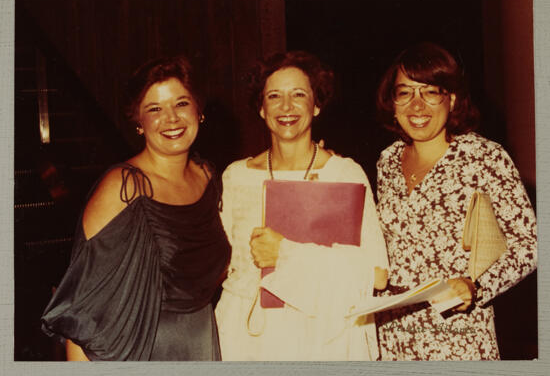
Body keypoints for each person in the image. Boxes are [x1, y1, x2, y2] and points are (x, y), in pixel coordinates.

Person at [41, 56, 231, 361]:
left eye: (181, 103)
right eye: (154, 109)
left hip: (201, 341)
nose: (171, 118)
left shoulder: (208, 176)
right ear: (139, 122)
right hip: (143, 351)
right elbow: (84, 309)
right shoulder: (124, 188)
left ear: (199, 110)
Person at [214, 50, 389, 360]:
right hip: (247, 334)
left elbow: (377, 273)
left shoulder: (344, 173)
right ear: (261, 109)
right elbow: (220, 264)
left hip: (322, 332)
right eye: (274, 96)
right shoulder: (236, 176)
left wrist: (286, 254)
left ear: (316, 104)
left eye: (298, 94)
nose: (286, 107)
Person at [374, 42, 537, 360]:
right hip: (392, 336)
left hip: (458, 336)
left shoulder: (483, 156)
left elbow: (528, 245)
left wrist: (476, 287)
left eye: (431, 92)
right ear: (392, 102)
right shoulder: (387, 161)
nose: (417, 106)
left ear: (452, 99)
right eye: (405, 92)